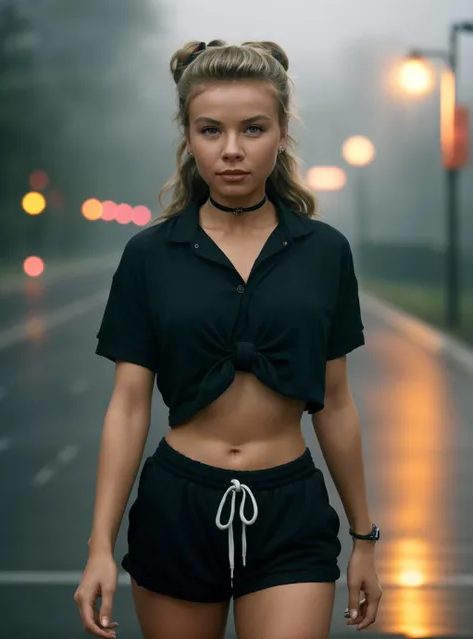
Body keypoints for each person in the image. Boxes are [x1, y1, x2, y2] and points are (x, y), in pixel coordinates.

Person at [74, 39, 382, 639]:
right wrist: (99, 549)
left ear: (282, 133)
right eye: (211, 130)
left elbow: (336, 402)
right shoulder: (149, 255)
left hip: (290, 508)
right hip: (177, 506)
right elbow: (129, 404)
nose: (233, 150)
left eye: (254, 128)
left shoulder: (324, 251)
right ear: (188, 137)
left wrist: (364, 537)